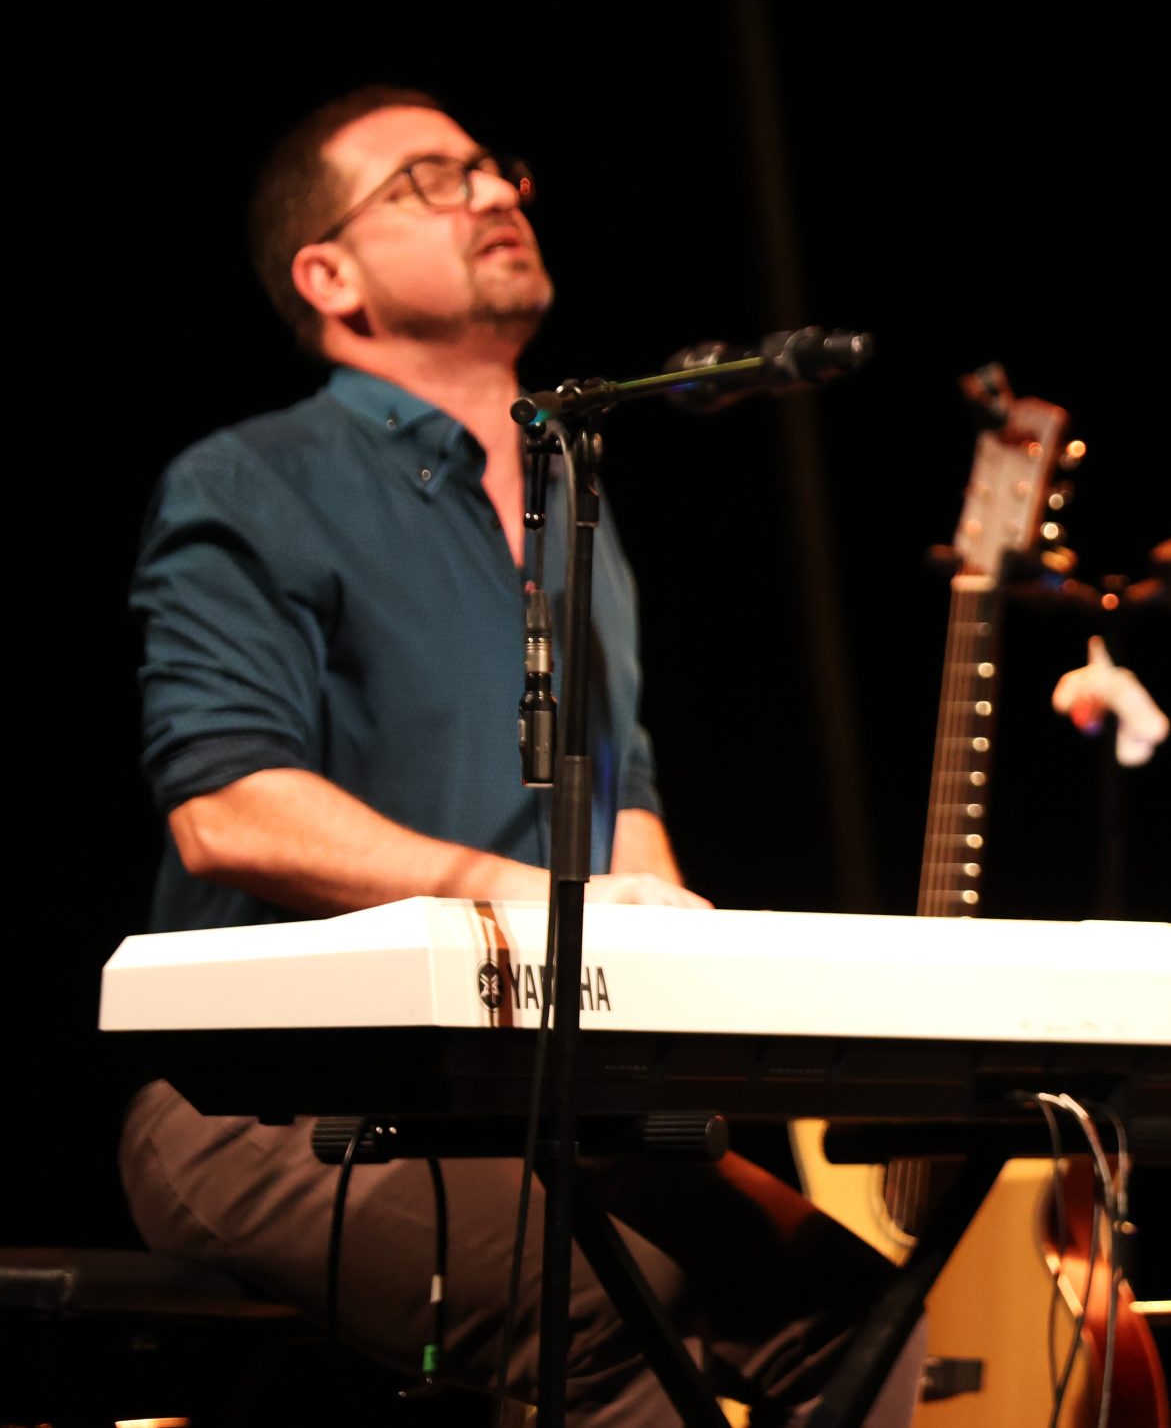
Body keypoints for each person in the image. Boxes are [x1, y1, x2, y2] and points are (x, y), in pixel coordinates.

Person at [123, 86, 914, 1425]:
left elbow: (624, 815)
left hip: (534, 1109)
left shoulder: (572, 502)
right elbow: (228, 808)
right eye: (430, 180)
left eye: (494, 168)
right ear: (329, 277)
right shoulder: (251, 481)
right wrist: (536, 897)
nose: (493, 192)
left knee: (860, 1319)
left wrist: (678, 961)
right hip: (267, 1112)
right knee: (614, 1301)